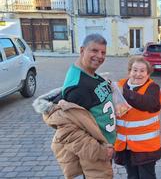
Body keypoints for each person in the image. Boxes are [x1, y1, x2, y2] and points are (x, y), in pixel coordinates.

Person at [32, 34, 115, 179]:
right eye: (94, 51)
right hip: (96, 155)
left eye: (103, 52)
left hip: (105, 147)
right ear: (82, 50)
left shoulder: (89, 73)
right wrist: (101, 152)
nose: (99, 56)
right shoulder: (78, 88)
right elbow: (68, 131)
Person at [114, 56, 161, 179]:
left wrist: (124, 92)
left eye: (142, 71)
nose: (138, 74)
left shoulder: (152, 88)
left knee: (146, 176)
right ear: (129, 72)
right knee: (131, 176)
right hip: (125, 145)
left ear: (148, 74)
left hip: (146, 147)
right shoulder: (120, 85)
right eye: (135, 70)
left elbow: (149, 103)